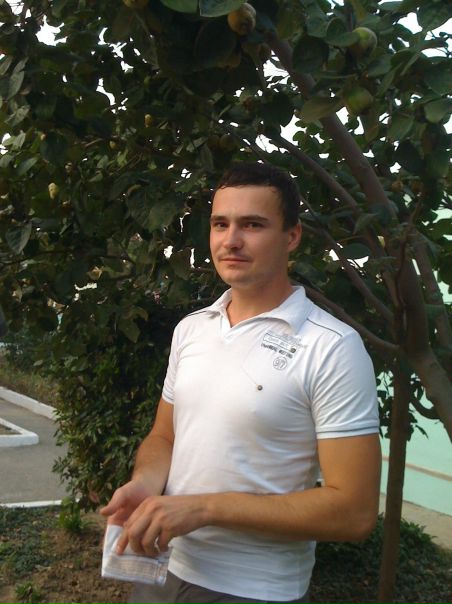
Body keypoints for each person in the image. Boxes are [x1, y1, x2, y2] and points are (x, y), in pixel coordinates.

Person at [101, 162, 381, 604]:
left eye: (252, 225)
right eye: (220, 224)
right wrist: (146, 482)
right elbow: (165, 436)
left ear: (292, 236)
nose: (230, 240)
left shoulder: (332, 347)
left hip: (254, 590)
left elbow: (354, 511)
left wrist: (204, 507)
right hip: (162, 569)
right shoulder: (192, 329)